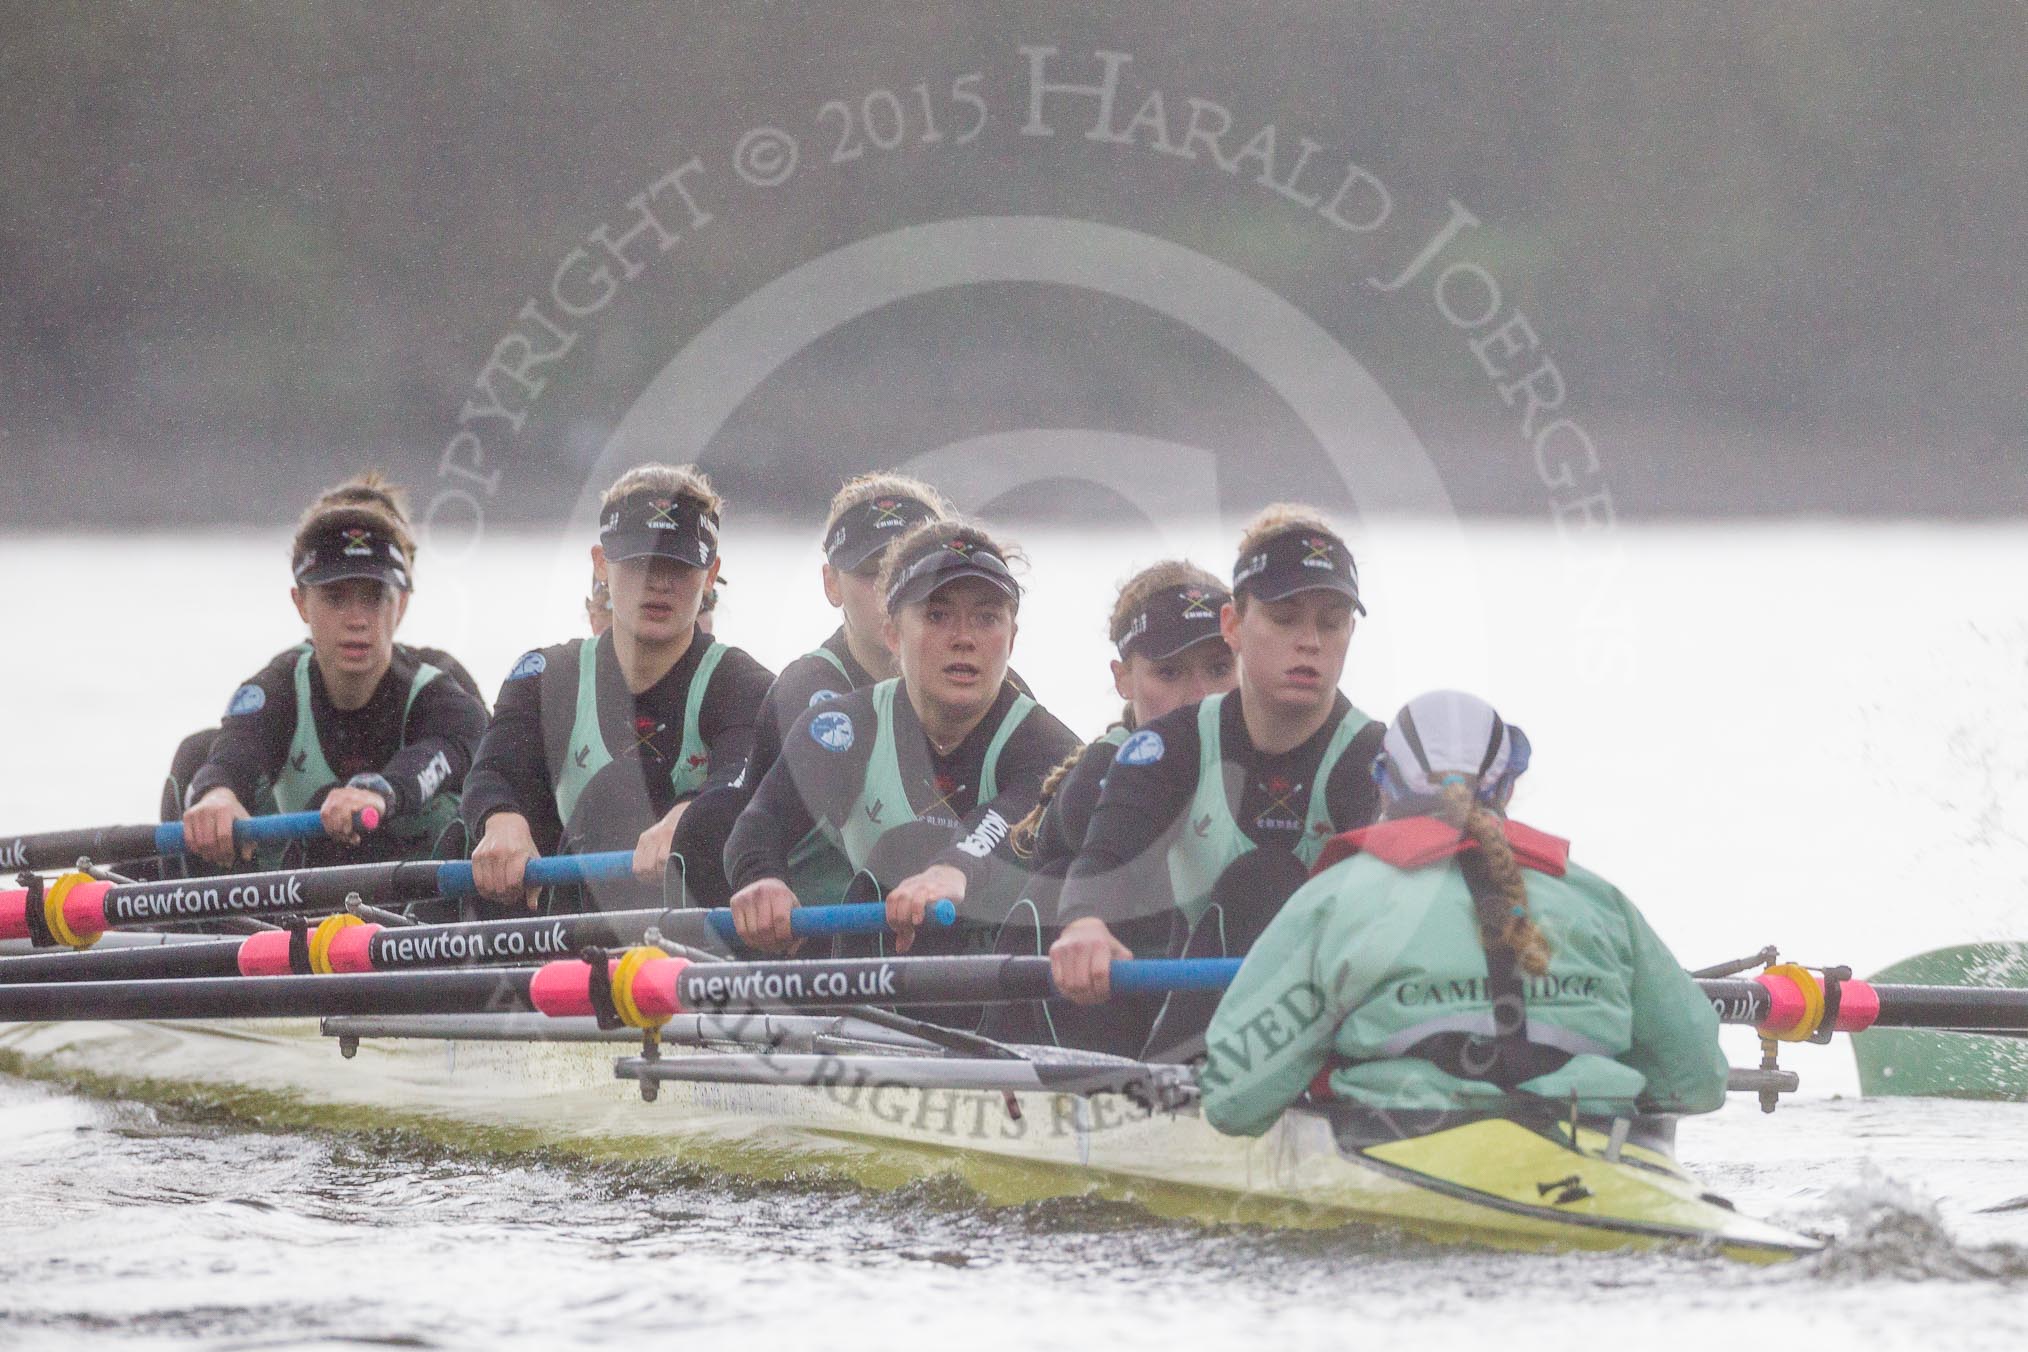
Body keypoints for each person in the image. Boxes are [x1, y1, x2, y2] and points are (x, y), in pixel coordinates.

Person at [1199, 690, 1729, 1134]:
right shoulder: (1599, 899)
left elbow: (1232, 1101)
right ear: (1510, 786)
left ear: (1383, 781)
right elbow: (1699, 1081)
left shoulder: (1332, 900)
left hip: (1401, 1146)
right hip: (1595, 1147)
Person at [1050, 506, 1387, 1059]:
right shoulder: (1172, 747)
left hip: (1337, 1031)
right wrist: (1085, 923)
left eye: (1331, 621)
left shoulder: (1375, 758)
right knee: (1259, 879)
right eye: (1284, 617)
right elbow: (1103, 858)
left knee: (1272, 879)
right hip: (1201, 1034)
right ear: (1233, 625)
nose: (1310, 642)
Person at [725, 519, 1080, 957]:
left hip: (1011, 975)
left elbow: (1000, 823)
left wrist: (955, 868)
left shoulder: (1048, 747)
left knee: (908, 850)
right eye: (937, 615)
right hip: (887, 962)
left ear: (1012, 638)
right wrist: (761, 879)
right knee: (711, 818)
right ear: (893, 633)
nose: (964, 639)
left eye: (986, 618)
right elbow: (760, 820)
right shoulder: (843, 728)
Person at [461, 464, 774, 912]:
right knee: (470, 832)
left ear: (710, 574)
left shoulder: (744, 685)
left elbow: (741, 774)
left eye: (679, 565)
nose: (658, 582)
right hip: (571, 928)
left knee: (643, 804)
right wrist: (500, 817)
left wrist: (690, 817)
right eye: (641, 560)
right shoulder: (544, 676)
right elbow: (494, 772)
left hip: (692, 931)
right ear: (601, 564)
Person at [173, 472, 490, 870]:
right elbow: (237, 750)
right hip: (304, 900)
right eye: (336, 599)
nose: (356, 620)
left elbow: (449, 746)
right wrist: (217, 793)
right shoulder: (278, 687)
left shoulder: (440, 692)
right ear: (301, 604)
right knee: (195, 757)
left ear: (402, 604)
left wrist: (382, 792)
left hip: (419, 907)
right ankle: (196, 923)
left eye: (373, 598)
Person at [676, 472, 950, 908]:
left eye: (912, 573)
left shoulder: (991, 687)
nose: (894, 593)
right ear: (831, 585)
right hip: (815, 929)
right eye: (872, 573)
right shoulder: (810, 689)